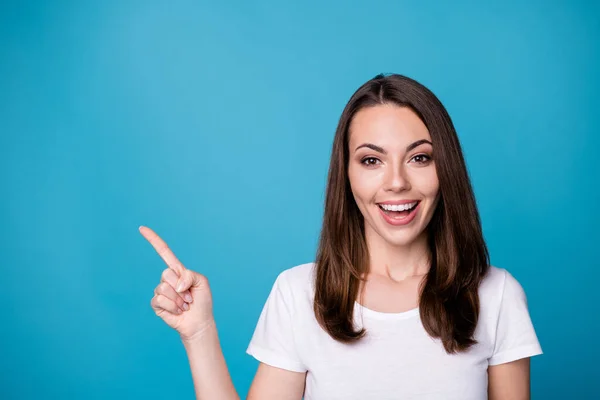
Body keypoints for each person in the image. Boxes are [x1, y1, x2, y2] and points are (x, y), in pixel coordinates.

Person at [140, 74, 543, 400]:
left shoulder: (497, 296)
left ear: (446, 170)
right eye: (372, 160)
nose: (397, 182)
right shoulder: (299, 294)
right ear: (347, 175)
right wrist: (199, 333)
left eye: (420, 157)